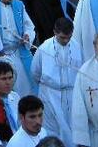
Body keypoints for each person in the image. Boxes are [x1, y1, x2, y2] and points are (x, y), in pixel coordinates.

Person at [31, 18, 82, 147]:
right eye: (62, 38)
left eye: (68, 38)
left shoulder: (77, 46)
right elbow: (35, 72)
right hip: (50, 94)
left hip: (71, 94)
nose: (65, 41)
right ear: (55, 32)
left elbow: (81, 69)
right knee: (52, 129)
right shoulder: (44, 47)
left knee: (72, 127)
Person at [0, 0, 36, 97]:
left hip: (18, 51)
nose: (10, 1)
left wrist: (27, 36)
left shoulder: (18, 5)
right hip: (1, 53)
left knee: (24, 85)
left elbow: (28, 25)